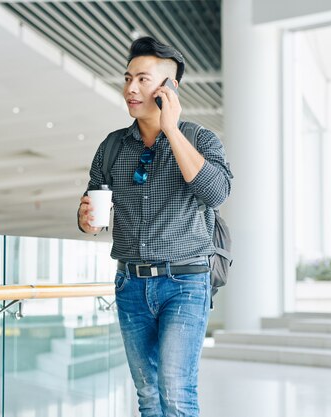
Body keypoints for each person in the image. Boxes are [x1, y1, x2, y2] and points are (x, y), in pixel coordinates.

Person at [77, 36, 232, 417]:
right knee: (147, 395)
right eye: (128, 78)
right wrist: (84, 220)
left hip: (185, 283)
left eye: (143, 80)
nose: (130, 88)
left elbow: (215, 193)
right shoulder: (112, 147)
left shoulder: (200, 139)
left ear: (168, 88)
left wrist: (172, 129)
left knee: (176, 393)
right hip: (130, 284)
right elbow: (93, 216)